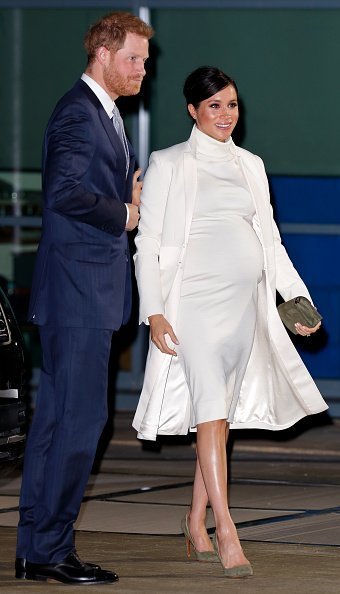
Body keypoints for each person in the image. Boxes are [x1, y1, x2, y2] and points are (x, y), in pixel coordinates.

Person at [132, 66, 328, 578]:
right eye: (214, 105)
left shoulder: (251, 165)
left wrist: (297, 299)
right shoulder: (168, 163)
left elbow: (271, 241)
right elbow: (147, 244)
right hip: (191, 307)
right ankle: (226, 529)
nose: (226, 115)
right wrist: (152, 310)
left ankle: (195, 523)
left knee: (217, 419)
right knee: (212, 410)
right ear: (192, 110)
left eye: (233, 105)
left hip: (245, 308)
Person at [16, 12, 153, 585]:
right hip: (77, 293)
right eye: (134, 60)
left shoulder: (101, 112)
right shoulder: (79, 112)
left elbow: (82, 185)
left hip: (82, 292)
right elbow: (65, 192)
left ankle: (36, 548)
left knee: (55, 426)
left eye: (145, 61)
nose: (143, 70)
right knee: (79, 424)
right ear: (102, 54)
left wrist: (127, 191)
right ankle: (49, 549)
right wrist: (125, 212)